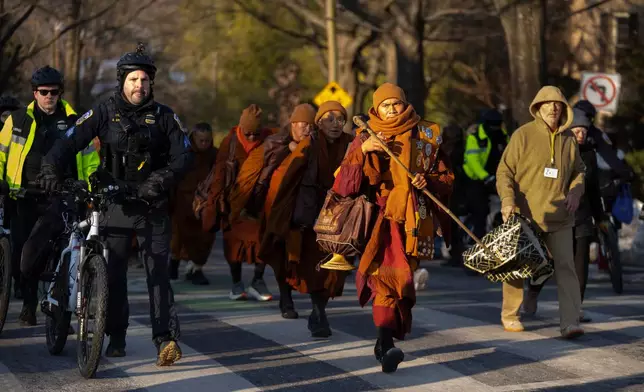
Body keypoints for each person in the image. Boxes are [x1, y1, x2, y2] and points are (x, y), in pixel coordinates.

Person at [37, 44, 192, 366]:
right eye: (134, 79)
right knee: (115, 274)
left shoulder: (165, 117)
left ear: (152, 83)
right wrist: (51, 170)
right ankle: (116, 335)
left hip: (153, 204)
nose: (140, 85)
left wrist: (160, 180)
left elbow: (184, 157)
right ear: (122, 81)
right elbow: (67, 144)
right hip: (114, 201)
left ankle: (165, 339)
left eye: (145, 79)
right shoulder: (103, 112)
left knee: (158, 275)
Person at [332, 83, 454, 373]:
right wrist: (363, 151)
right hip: (378, 219)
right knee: (387, 279)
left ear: (405, 104)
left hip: (413, 220)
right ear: (376, 109)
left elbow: (446, 178)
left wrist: (429, 183)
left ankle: (382, 343)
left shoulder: (425, 134)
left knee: (402, 284)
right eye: (385, 105)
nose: (391, 109)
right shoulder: (365, 135)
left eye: (395, 104)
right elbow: (343, 185)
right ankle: (386, 345)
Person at [0, 66, 99, 325]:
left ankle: (59, 306)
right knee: (24, 257)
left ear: (60, 93)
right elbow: (1, 154)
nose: (49, 97)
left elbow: (89, 161)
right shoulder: (17, 120)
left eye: (54, 92)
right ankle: (29, 303)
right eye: (43, 92)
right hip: (23, 196)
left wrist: (90, 187)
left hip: (63, 195)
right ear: (34, 93)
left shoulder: (75, 122)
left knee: (63, 251)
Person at [255, 101, 353, 338]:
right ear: (318, 123)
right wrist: (280, 217)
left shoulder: (350, 144)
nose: (335, 124)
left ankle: (319, 312)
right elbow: (288, 181)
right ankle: (302, 306)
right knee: (307, 265)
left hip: (338, 220)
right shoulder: (309, 145)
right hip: (309, 217)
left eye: (340, 119)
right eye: (329, 119)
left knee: (333, 270)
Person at [496, 86, 585, 339]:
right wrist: (507, 201)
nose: (553, 107)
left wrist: (576, 192)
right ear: (537, 107)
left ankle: (570, 322)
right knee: (516, 267)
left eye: (558, 104)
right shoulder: (522, 135)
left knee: (566, 268)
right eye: (547, 103)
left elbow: (579, 171)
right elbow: (505, 172)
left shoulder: (569, 139)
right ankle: (511, 314)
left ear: (564, 109)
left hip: (560, 217)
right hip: (525, 216)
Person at [523, 107, 603, 322]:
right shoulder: (555, 151)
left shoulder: (589, 155)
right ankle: (532, 291)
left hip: (582, 217)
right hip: (555, 217)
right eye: (577, 130)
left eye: (585, 131)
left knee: (579, 268)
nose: (581, 135)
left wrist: (601, 217)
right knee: (546, 262)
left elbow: (593, 188)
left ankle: (574, 308)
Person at [200, 104, 275, 301]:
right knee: (233, 247)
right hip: (234, 204)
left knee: (262, 245)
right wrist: (215, 202)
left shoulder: (269, 140)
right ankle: (236, 284)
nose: (251, 138)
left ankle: (257, 280)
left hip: (259, 203)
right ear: (241, 128)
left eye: (255, 134)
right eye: (248, 133)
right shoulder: (230, 142)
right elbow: (219, 174)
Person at [169, 122, 217, 285]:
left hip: (204, 202)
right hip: (182, 199)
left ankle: (196, 269)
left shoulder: (214, 155)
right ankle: (174, 262)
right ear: (193, 138)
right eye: (201, 140)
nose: (204, 144)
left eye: (207, 140)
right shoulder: (182, 152)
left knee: (204, 237)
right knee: (178, 236)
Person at [462, 109, 509, 240]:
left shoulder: (503, 137)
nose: (495, 127)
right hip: (476, 179)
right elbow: (473, 161)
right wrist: (486, 177)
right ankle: (478, 241)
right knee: (480, 212)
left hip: (497, 178)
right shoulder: (475, 137)